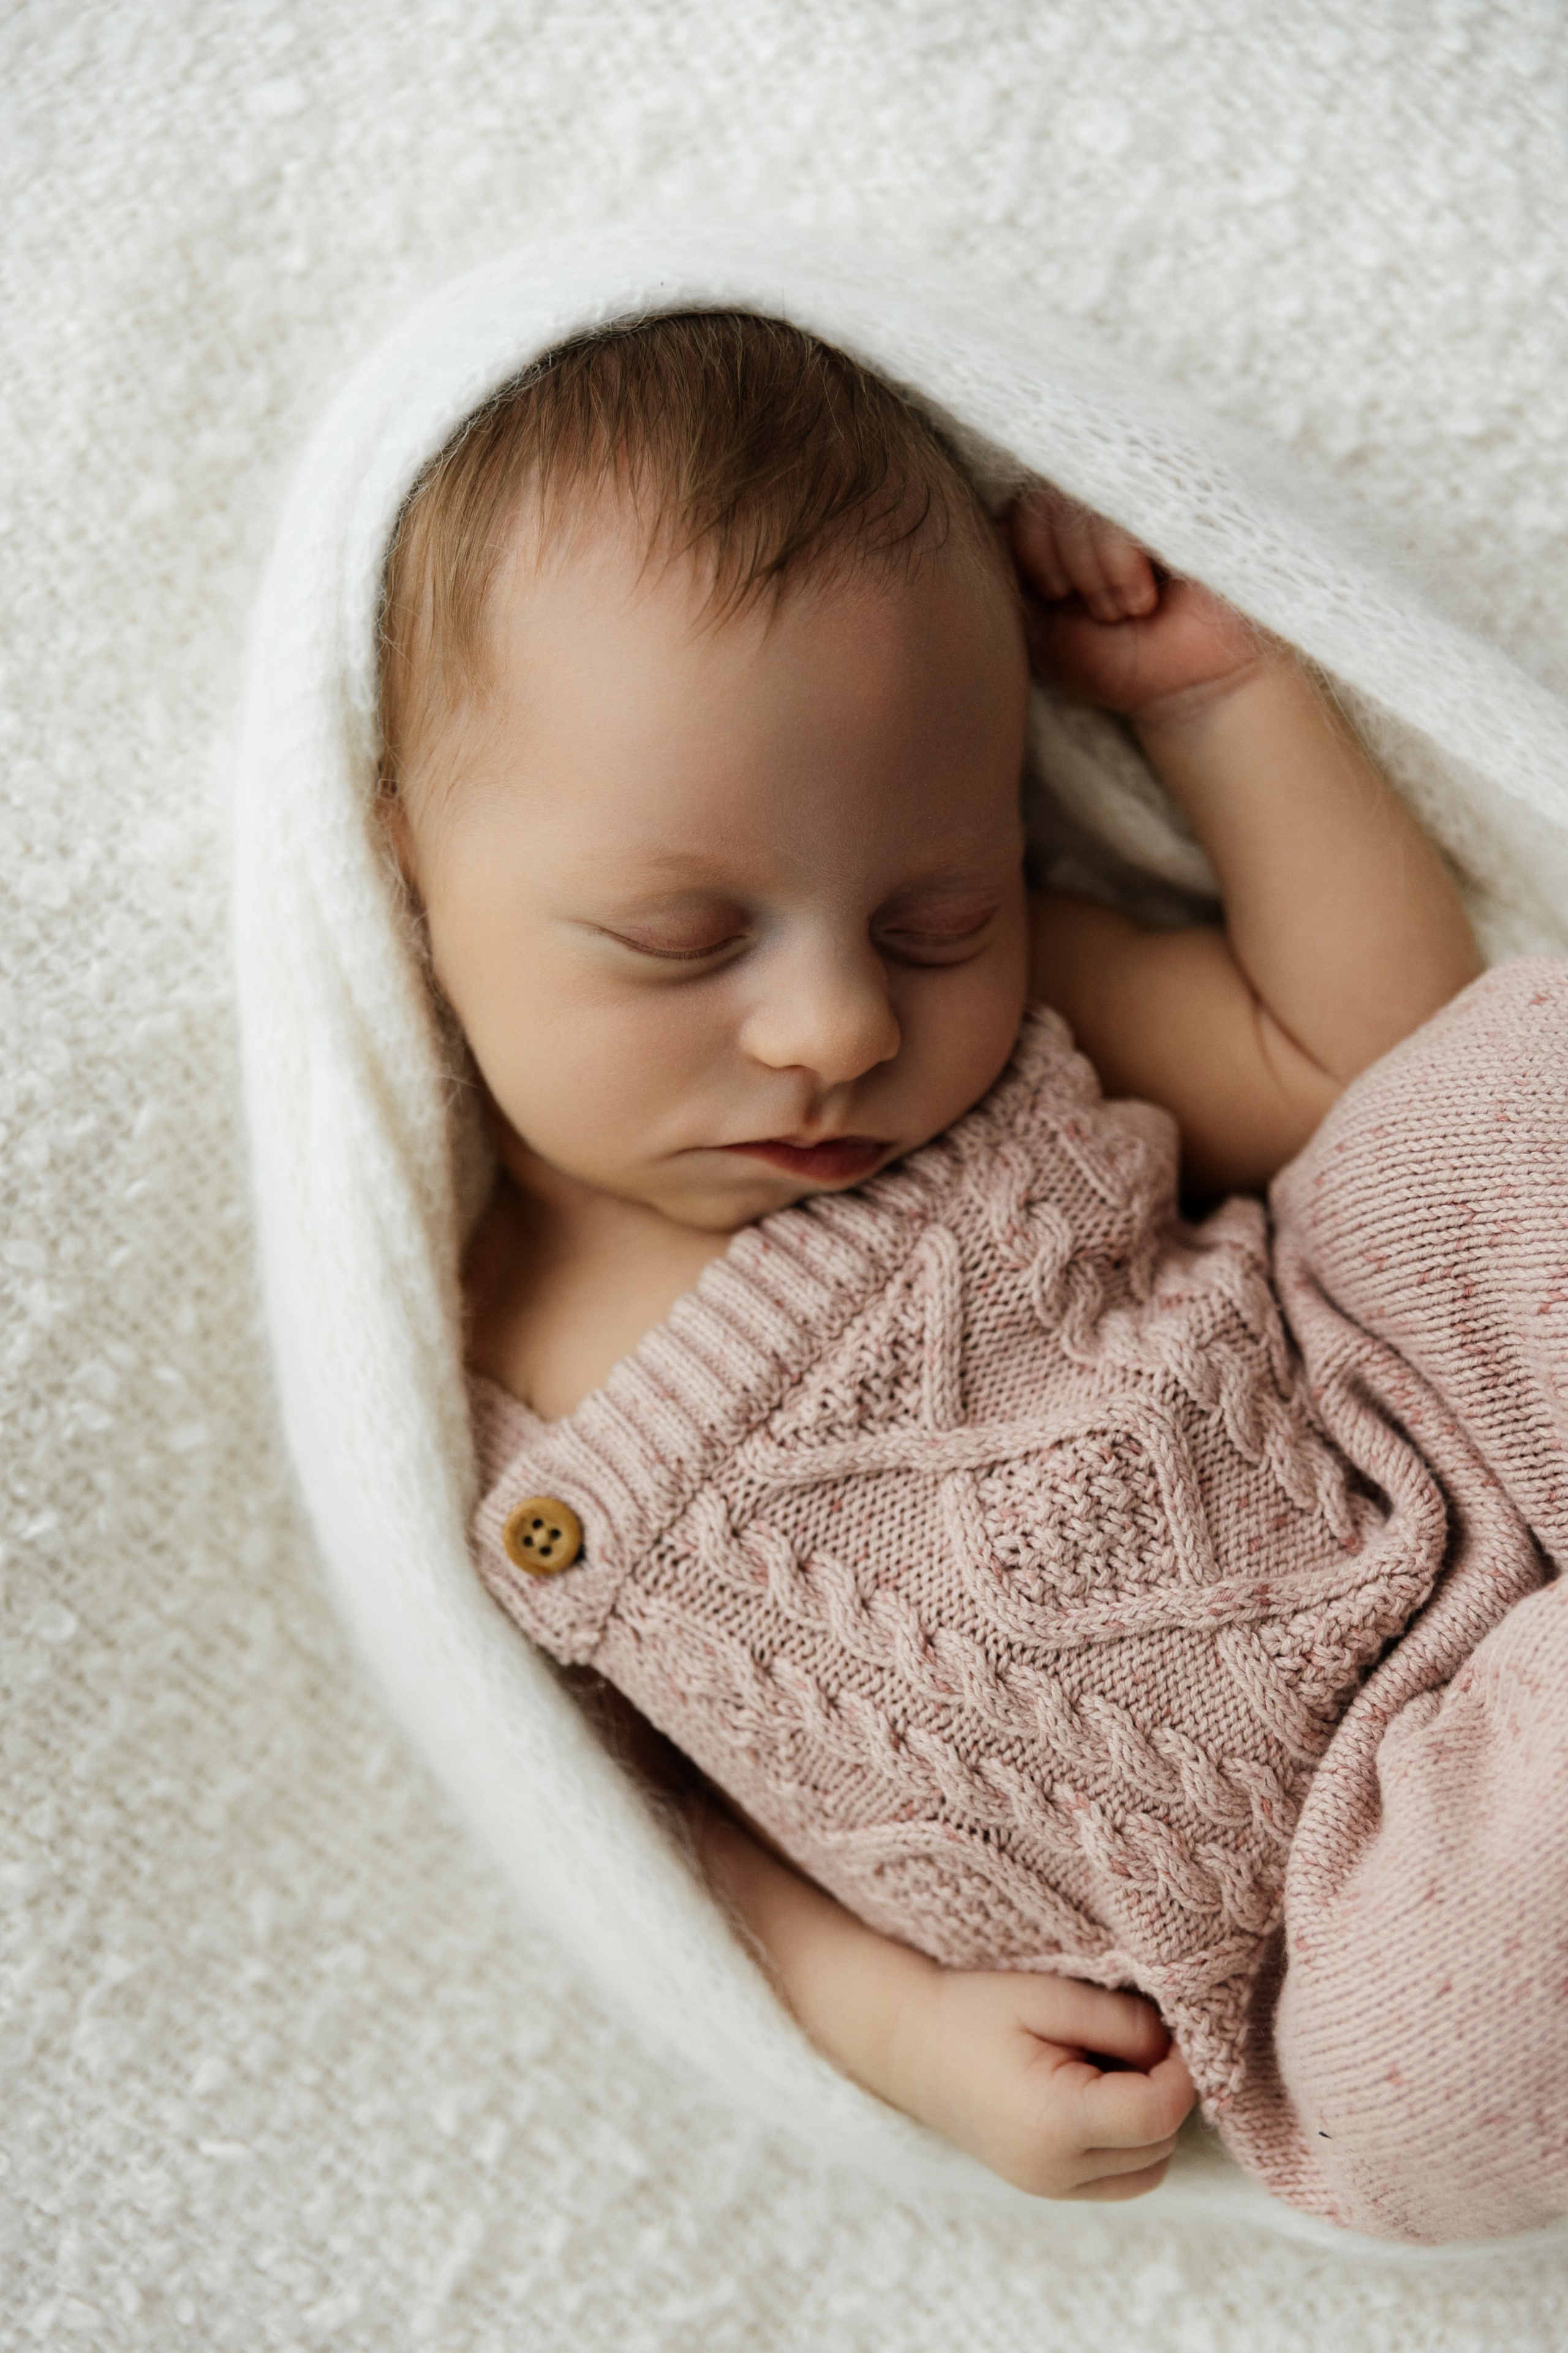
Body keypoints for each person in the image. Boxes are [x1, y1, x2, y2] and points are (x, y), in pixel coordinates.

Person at [376, 311, 1566, 2237]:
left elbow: (1359, 1048)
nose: (838, 1023)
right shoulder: (469, 1409)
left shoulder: (1011, 1046)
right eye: (685, 939)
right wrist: (909, 2033)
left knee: (1500, 1091)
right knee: (1414, 2065)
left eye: (940, 914)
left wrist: (1220, 700)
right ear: (409, 868)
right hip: (1332, 1904)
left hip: (1408, 1428)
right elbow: (653, 1842)